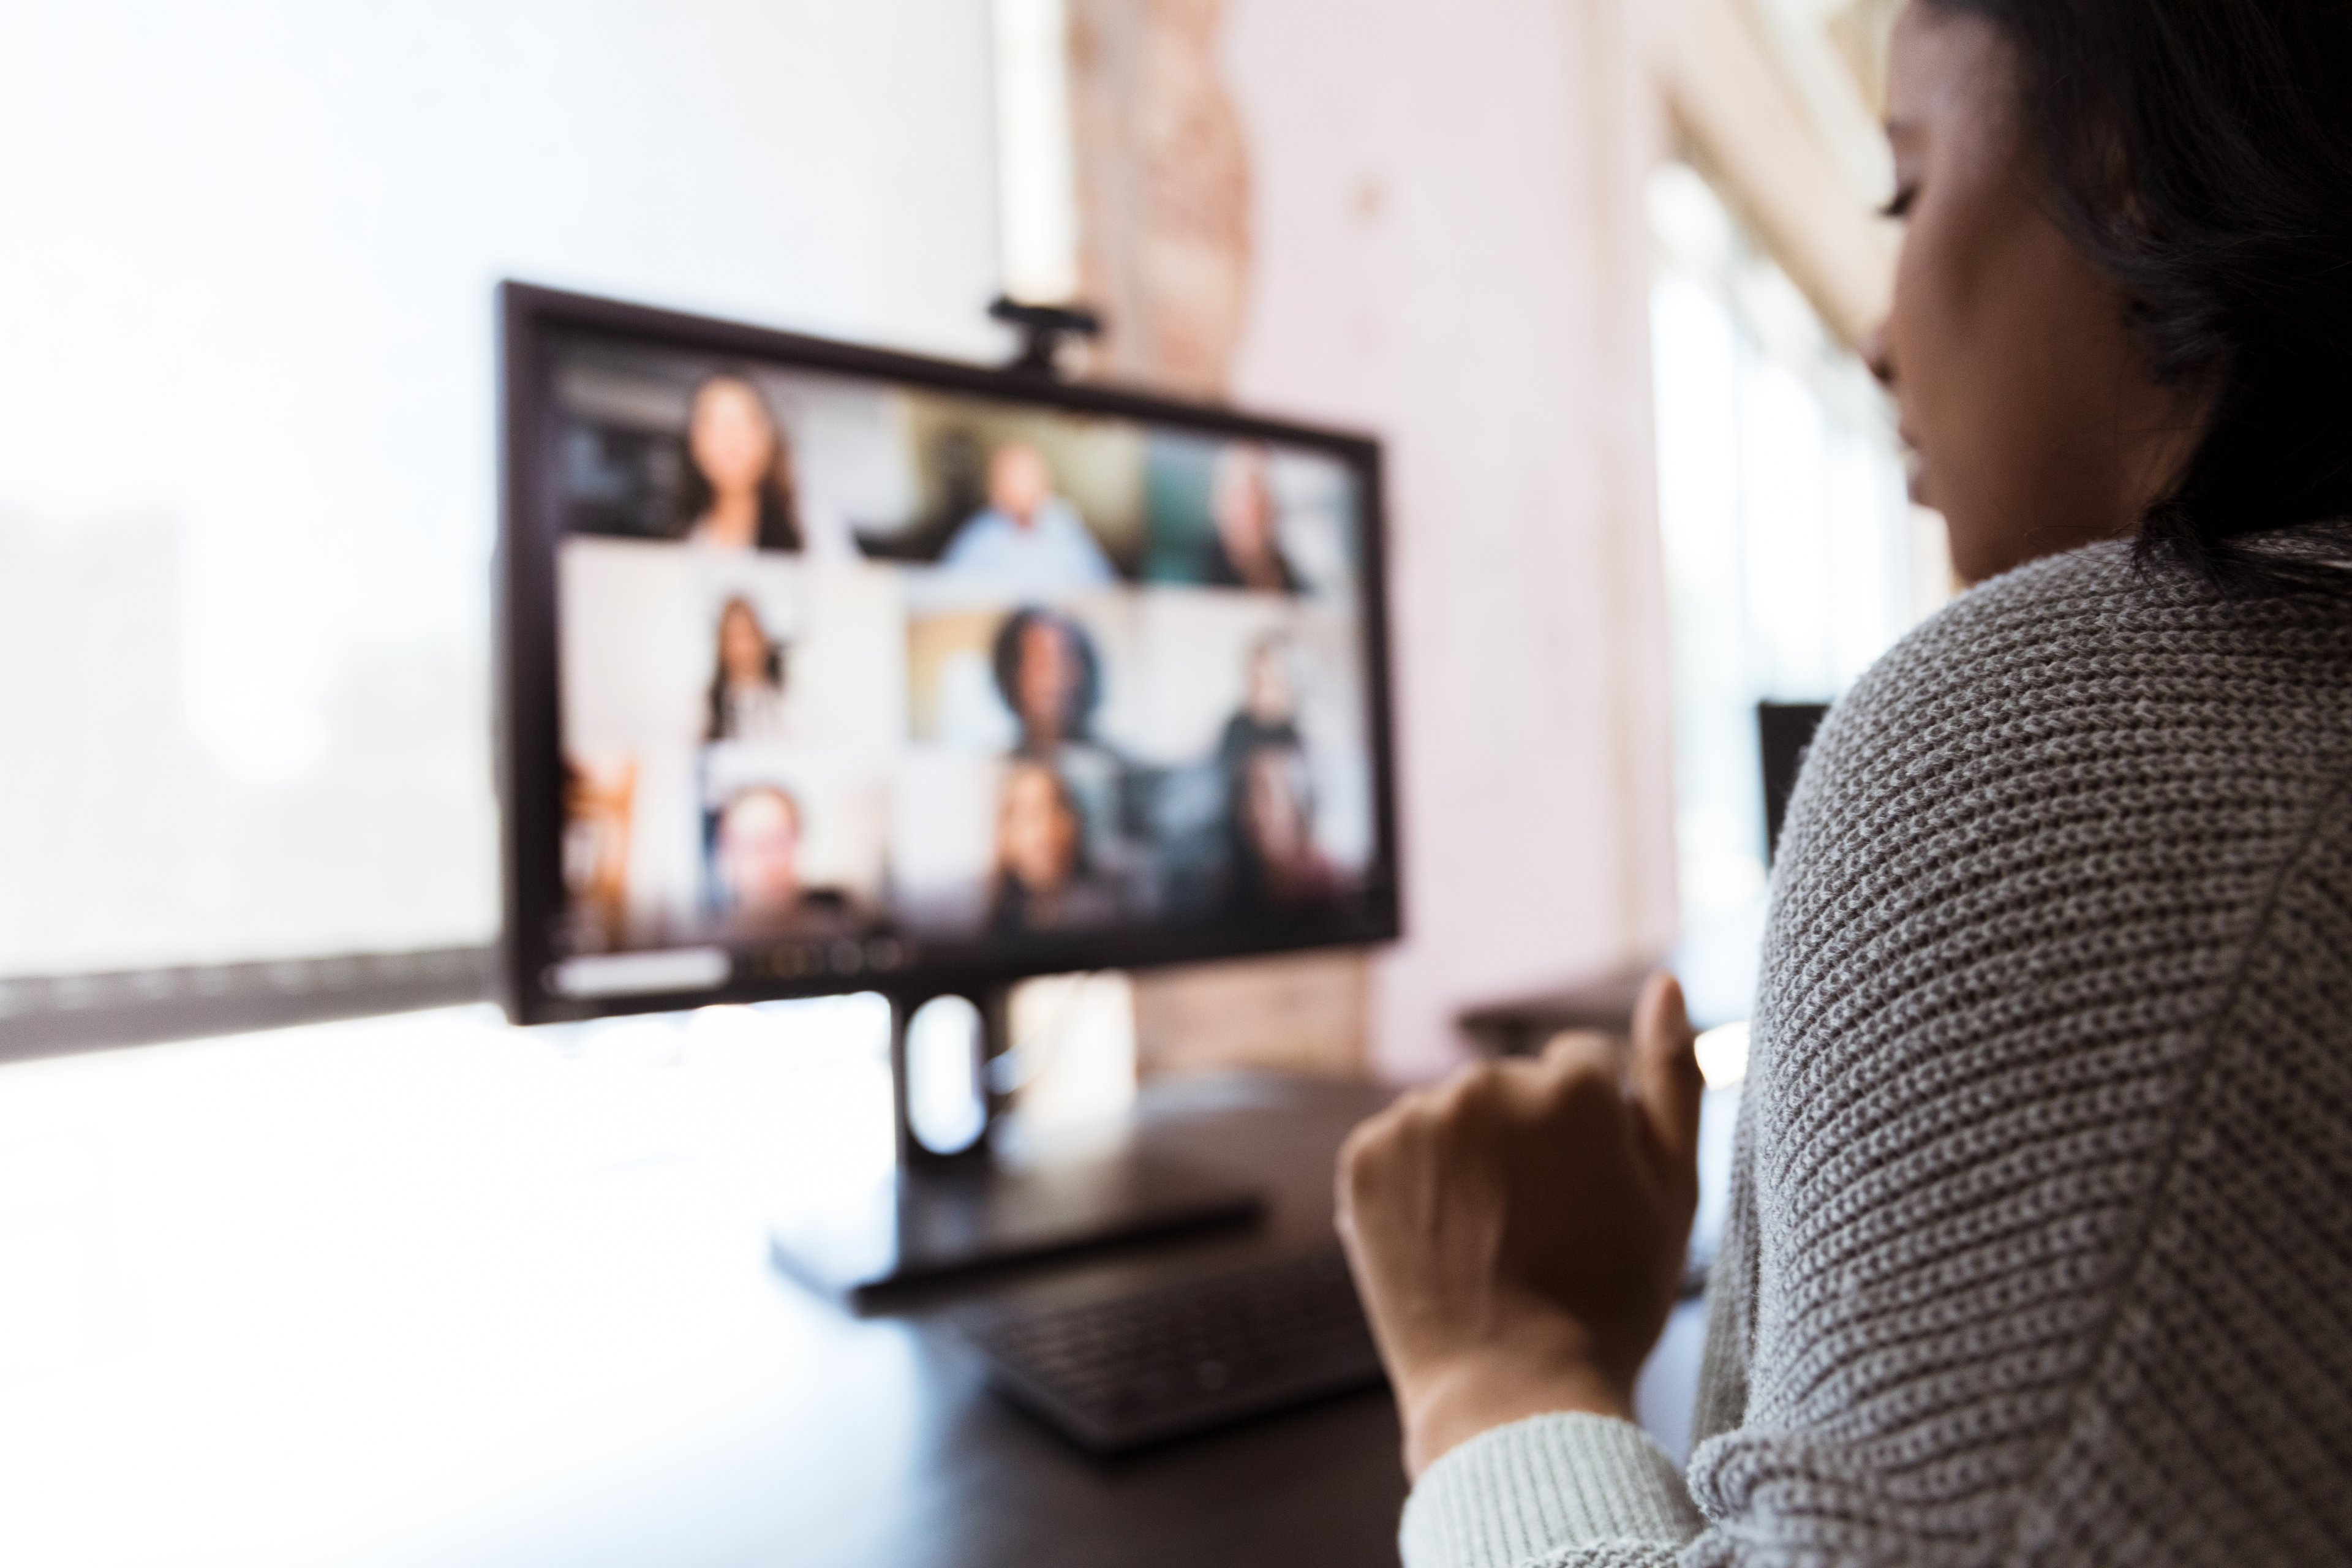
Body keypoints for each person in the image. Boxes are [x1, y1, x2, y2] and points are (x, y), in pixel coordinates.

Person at [1336, 4, 2352, 1566]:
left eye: (1907, 189)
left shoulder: (2045, 726)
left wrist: (1496, 1361)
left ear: (2133, 176)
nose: (1875, 333)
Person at [939, 442, 1116, 592]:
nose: (1024, 489)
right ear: (995, 491)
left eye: (1030, 478)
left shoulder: (1066, 528)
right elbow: (946, 593)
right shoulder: (978, 539)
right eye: (1013, 479)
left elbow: (1106, 587)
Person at [987, 760, 1120, 934]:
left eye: (1057, 809)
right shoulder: (981, 917)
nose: (1046, 829)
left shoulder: (1109, 911)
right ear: (1006, 832)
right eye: (1030, 814)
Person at [675, 371, 802, 551]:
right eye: (716, 423)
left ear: (768, 438)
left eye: (745, 421)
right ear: (694, 443)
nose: (732, 438)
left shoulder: (806, 535)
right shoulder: (674, 535)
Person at [1226, 741, 1340, 913]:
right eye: (1246, 795)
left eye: (1266, 793)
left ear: (1295, 804)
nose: (1254, 810)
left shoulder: (1327, 881)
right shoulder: (1227, 884)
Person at [991, 606, 1101, 756]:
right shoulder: (998, 770)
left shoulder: (1123, 769)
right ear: (1012, 674)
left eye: (1065, 663)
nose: (1055, 680)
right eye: (1041, 664)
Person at [1198, 444, 1304, 593]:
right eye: (1243, 493)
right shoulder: (1200, 569)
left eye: (1262, 492)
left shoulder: (1287, 568)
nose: (1254, 505)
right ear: (1221, 502)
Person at [712, 785, 814, 930]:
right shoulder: (707, 940)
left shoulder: (837, 928)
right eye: (751, 843)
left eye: (779, 841)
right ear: (727, 849)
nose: (767, 860)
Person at [705, 597, 792, 742]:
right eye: (733, 639)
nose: (741, 649)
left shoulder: (786, 700)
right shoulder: (707, 706)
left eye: (746, 637)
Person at [1216, 634, 1305, 773]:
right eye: (1257, 681)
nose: (1262, 691)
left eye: (1270, 681)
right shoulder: (1236, 729)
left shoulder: (1293, 733)